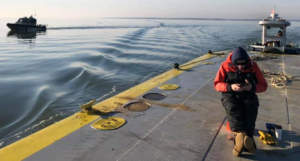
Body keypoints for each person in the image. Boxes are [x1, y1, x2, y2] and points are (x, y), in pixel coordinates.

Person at [213, 47, 268, 157]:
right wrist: (230, 86)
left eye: (243, 64)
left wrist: (252, 87)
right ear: (233, 62)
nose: (241, 67)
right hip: (230, 94)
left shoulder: (253, 66)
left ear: (247, 61)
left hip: (248, 94)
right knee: (232, 108)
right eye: (238, 64)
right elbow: (217, 84)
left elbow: (263, 85)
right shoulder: (224, 66)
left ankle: (243, 138)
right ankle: (244, 136)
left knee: (251, 108)